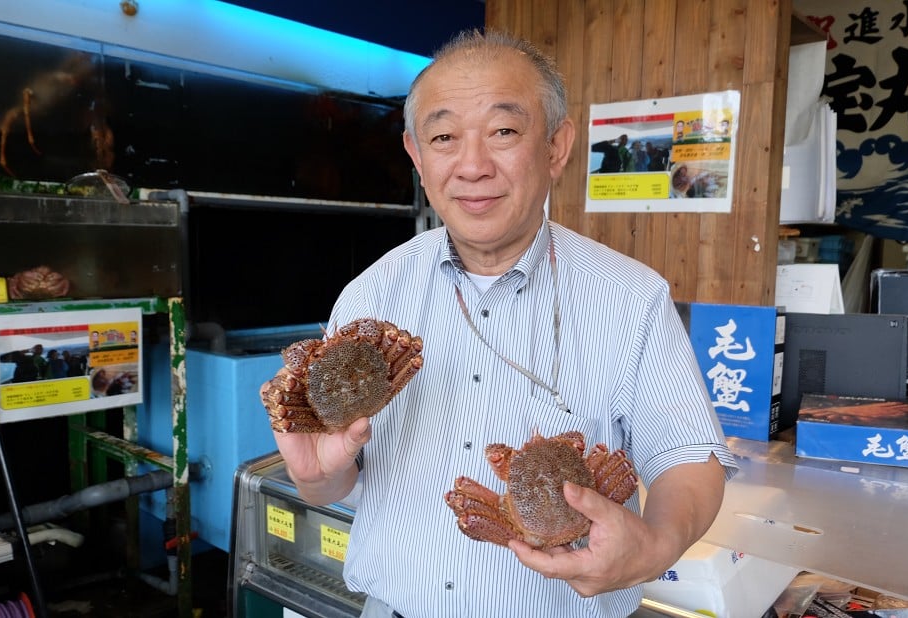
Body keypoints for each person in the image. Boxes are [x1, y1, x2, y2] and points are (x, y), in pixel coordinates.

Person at [266, 28, 738, 618]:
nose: (472, 166)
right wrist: (315, 480)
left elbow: (688, 457)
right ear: (416, 156)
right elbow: (340, 478)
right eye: (443, 137)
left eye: (504, 132)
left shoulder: (632, 297)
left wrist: (655, 545)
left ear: (556, 147)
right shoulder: (370, 297)